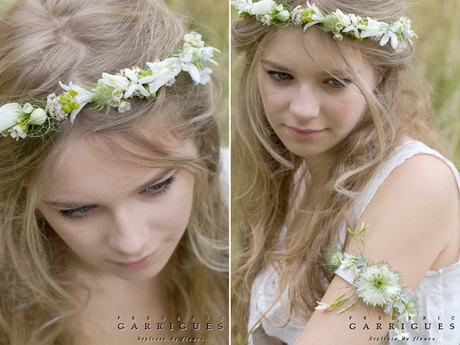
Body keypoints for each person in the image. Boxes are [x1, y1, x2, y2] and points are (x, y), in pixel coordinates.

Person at [231, 0, 460, 344]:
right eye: (281, 76)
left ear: (380, 77)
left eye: (334, 82)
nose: (302, 110)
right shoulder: (297, 177)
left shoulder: (418, 185)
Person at [0, 0, 228, 344]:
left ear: (202, 144)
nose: (131, 243)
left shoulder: (248, 226)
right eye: (77, 210)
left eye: (157, 187)